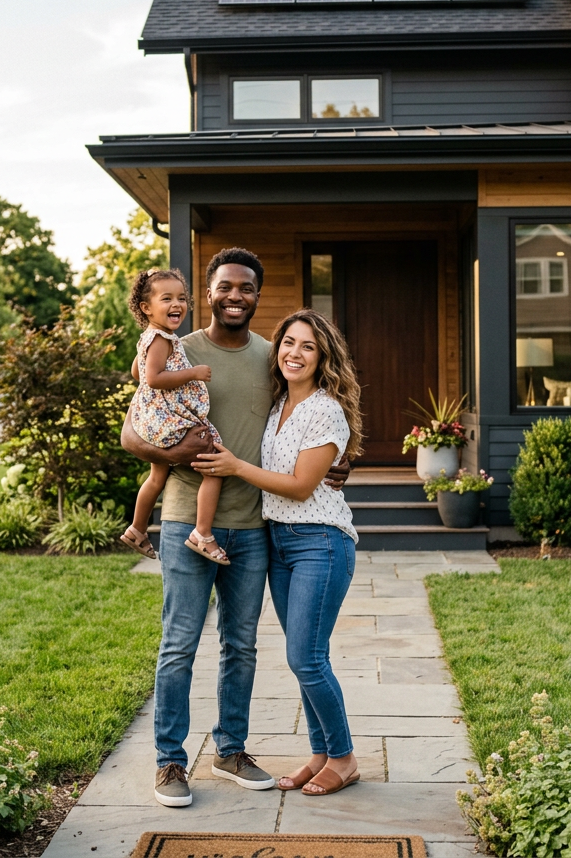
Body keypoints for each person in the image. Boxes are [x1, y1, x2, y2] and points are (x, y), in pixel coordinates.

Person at [119, 248, 349, 808]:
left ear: (256, 295)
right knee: (179, 644)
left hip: (253, 526)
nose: (235, 296)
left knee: (240, 645)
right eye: (225, 286)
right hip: (183, 521)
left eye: (246, 288)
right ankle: (171, 762)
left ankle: (230, 749)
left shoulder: (274, 358)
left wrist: (339, 460)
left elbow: (309, 414)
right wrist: (172, 452)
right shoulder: (175, 349)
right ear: (209, 291)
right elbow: (131, 435)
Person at [192, 308, 363, 797]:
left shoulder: (325, 409)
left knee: (305, 657)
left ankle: (345, 757)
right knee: (305, 656)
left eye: (308, 346)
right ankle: (322, 752)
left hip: (320, 542)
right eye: (288, 342)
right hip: (280, 541)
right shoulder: (278, 405)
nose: (295, 353)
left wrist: (234, 466)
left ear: (323, 356)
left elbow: (302, 486)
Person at [119, 267, 227, 565]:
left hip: (153, 420)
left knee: (157, 477)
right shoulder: (162, 339)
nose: (176, 304)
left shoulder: (151, 337)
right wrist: (193, 372)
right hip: (170, 421)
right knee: (215, 466)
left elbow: (137, 372)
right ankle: (202, 534)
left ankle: (137, 529)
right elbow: (152, 378)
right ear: (146, 307)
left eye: (181, 297)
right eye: (166, 298)